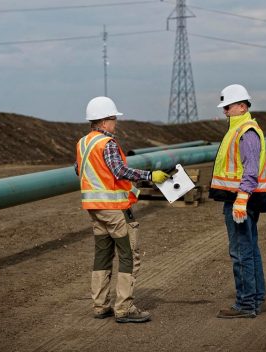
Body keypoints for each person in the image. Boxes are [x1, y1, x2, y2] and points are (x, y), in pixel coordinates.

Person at [75, 96, 169, 323]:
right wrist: (149, 176)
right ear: (104, 121)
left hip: (94, 208)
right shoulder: (107, 144)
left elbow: (79, 170)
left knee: (102, 255)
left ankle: (100, 305)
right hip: (114, 209)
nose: (115, 122)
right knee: (128, 256)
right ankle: (124, 308)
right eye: (113, 118)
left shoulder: (83, 143)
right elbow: (119, 171)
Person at [209, 84, 266, 319]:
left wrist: (241, 199)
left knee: (241, 251)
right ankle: (255, 298)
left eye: (228, 106)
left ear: (242, 106)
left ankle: (246, 304)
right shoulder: (239, 129)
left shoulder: (246, 132)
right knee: (250, 249)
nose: (225, 111)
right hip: (242, 199)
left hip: (242, 200)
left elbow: (251, 170)